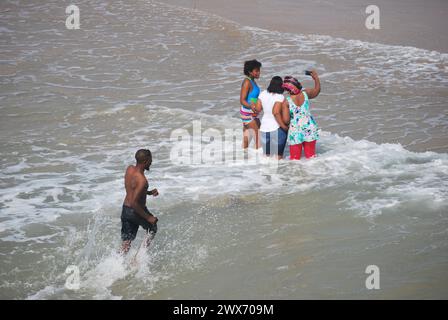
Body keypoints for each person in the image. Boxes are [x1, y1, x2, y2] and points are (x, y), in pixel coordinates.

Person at [120, 149, 159, 254]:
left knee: (126, 243)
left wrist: (149, 192)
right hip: (135, 211)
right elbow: (134, 203)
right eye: (150, 160)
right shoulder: (142, 180)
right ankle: (138, 258)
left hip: (125, 210)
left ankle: (116, 263)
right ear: (146, 161)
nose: (151, 162)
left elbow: (133, 189)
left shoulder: (129, 169)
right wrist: (148, 217)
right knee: (152, 228)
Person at [282, 71, 321, 160]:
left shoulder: (287, 101)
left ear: (287, 90)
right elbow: (317, 91)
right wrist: (316, 79)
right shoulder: (305, 93)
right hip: (309, 127)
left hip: (295, 131)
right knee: (311, 158)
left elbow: (286, 120)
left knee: (295, 160)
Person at [254, 76, 290, 159]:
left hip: (264, 129)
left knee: (267, 157)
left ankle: (266, 172)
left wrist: (252, 103)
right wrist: (283, 126)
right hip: (276, 128)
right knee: (278, 157)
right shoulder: (280, 97)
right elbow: (276, 112)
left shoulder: (262, 94)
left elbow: (258, 109)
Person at [240, 59, 262, 149]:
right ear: (250, 71)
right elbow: (242, 100)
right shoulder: (247, 82)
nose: (259, 73)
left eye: (259, 70)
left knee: (246, 139)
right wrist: (251, 106)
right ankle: (259, 161)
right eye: (256, 71)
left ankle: (244, 159)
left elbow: (253, 98)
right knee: (259, 139)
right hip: (248, 113)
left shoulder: (252, 81)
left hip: (251, 113)